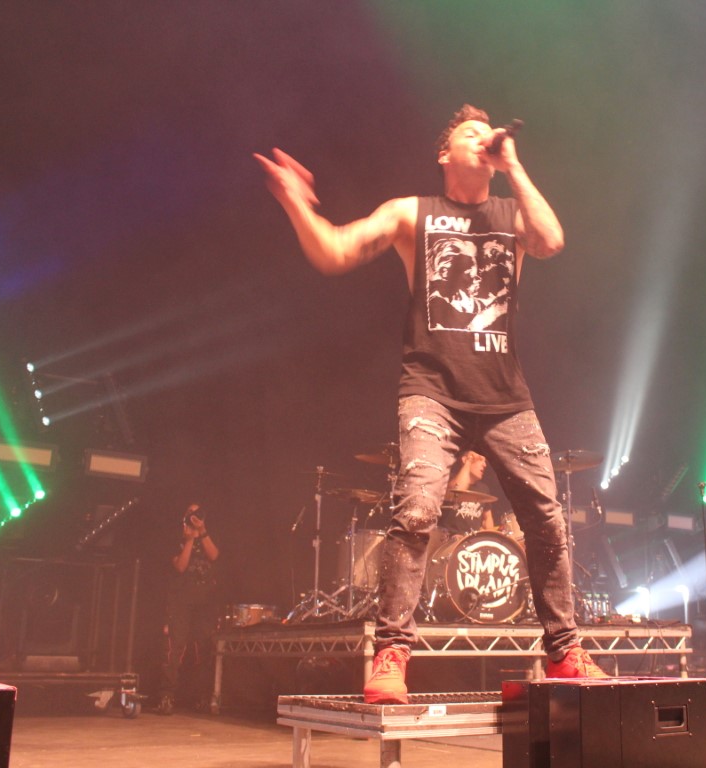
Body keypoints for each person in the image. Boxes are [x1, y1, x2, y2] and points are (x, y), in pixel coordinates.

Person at [255, 104, 606, 704]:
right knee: (416, 511)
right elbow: (335, 251)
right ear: (444, 154)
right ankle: (391, 652)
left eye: (489, 135)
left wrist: (515, 167)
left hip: (505, 397)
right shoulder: (410, 212)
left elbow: (551, 241)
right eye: (471, 133)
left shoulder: (512, 213)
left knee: (547, 519)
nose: (483, 139)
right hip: (432, 390)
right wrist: (295, 203)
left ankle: (565, 651)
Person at [157, 503, 219, 715]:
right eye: (191, 513)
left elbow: (214, 556)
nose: (195, 517)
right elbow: (180, 566)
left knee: (203, 648)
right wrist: (190, 539)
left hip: (205, 601)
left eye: (198, 513)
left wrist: (202, 531)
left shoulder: (206, 534)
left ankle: (201, 696)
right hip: (181, 599)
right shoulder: (176, 538)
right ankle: (167, 695)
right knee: (175, 647)